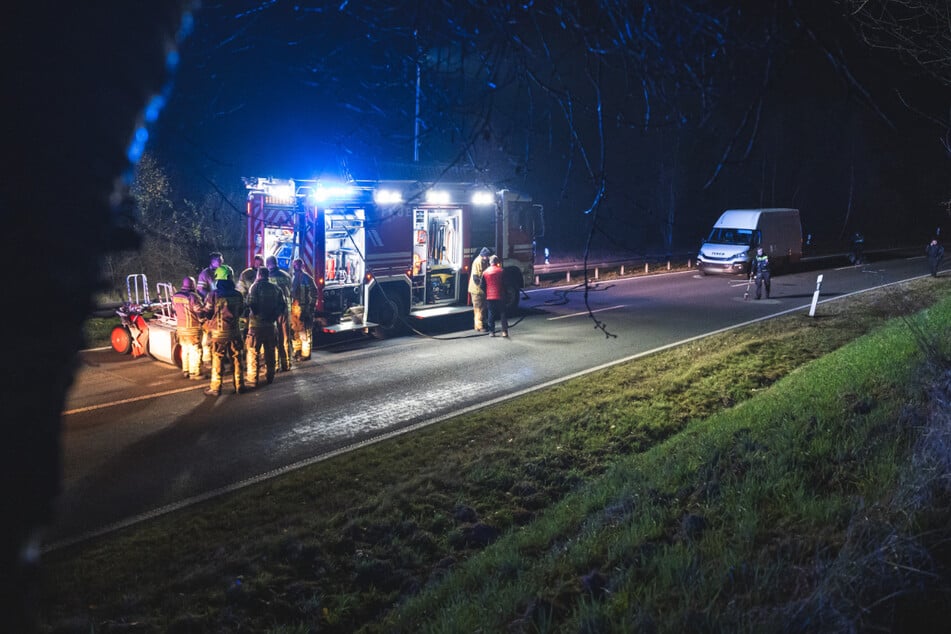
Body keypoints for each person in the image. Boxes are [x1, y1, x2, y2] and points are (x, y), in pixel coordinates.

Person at [200, 267, 246, 396]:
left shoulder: (213, 295)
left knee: (218, 359)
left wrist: (206, 317)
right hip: (235, 333)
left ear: (218, 279)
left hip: (218, 334)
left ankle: (215, 388)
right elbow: (242, 310)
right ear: (230, 278)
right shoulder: (238, 294)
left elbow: (207, 312)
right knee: (236, 358)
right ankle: (239, 385)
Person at [245, 267, 285, 389]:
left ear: (259, 275)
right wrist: (272, 317)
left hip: (256, 326)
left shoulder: (254, 287)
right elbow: (282, 306)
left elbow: (251, 305)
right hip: (270, 326)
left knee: (253, 352)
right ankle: (270, 376)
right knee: (270, 352)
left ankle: (253, 379)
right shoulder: (276, 289)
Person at [171, 276, 205, 380]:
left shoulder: (175, 296)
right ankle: (195, 373)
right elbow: (199, 311)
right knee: (195, 350)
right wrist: (203, 320)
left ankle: (186, 370)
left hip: (181, 328)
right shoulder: (193, 297)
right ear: (192, 285)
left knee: (185, 349)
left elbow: (174, 309)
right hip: (192, 328)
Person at [266, 255, 293, 371]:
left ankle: (276, 365)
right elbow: (291, 291)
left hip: (273, 311)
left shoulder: (268, 277)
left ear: (268, 264)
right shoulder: (286, 275)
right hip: (286, 310)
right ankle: (286, 364)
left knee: (274, 338)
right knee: (286, 337)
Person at [290, 257, 318, 361]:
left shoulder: (306, 278)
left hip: (304, 308)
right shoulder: (293, 278)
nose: (296, 267)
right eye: (295, 265)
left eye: (297, 265)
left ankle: (305, 354)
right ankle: (297, 351)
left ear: (302, 266)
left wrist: (310, 308)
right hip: (294, 309)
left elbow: (314, 292)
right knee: (295, 331)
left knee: (305, 332)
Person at [482, 255, 509, 337]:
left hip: (490, 297)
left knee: (491, 314)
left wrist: (486, 293)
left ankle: (491, 332)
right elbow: (505, 283)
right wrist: (506, 293)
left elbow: (482, 285)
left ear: (490, 262)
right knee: (503, 313)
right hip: (500, 295)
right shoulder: (501, 271)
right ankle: (504, 331)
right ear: (497, 262)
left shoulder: (485, 272)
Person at [468, 246, 491, 332]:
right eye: (487, 256)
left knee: (482, 308)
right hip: (476, 290)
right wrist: (483, 286)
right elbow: (476, 277)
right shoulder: (478, 262)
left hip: (480, 290)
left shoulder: (484, 261)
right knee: (478, 308)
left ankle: (482, 324)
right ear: (483, 255)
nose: (488, 258)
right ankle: (479, 326)